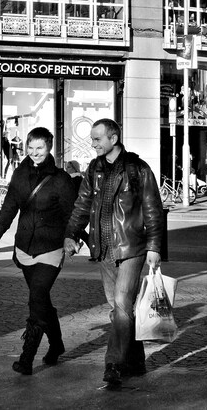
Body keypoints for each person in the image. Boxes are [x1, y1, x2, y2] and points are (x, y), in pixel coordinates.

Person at [63, 118, 164, 390]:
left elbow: (153, 210)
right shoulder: (93, 169)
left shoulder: (138, 169)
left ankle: (113, 364)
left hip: (132, 247)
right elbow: (82, 204)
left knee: (120, 304)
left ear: (114, 138)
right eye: (92, 139)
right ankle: (136, 361)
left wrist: (154, 247)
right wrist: (71, 234)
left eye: (97, 139)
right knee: (120, 309)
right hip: (103, 249)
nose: (93, 144)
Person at [0, 127, 76, 375]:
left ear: (49, 147)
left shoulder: (61, 179)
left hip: (50, 249)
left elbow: (72, 214)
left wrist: (72, 238)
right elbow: (9, 209)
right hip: (24, 248)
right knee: (42, 300)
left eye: (40, 148)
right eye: (31, 148)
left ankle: (27, 358)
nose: (35, 153)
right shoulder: (20, 174)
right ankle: (56, 344)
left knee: (37, 298)